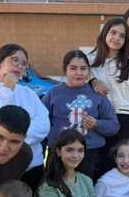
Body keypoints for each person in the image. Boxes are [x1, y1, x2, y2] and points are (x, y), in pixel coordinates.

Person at [0, 43, 50, 191]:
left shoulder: (28, 93)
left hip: (32, 168)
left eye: (24, 64)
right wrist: (6, 90)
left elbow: (43, 124)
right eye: (15, 60)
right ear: (0, 61)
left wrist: (13, 138)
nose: (19, 66)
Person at [42, 50, 120, 181]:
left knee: (86, 189)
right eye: (73, 68)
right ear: (65, 70)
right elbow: (42, 125)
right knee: (55, 189)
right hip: (59, 153)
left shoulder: (98, 94)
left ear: (88, 71)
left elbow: (114, 126)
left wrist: (96, 124)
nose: (79, 73)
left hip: (90, 154)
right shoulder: (53, 93)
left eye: (83, 68)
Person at [87, 16, 129, 175]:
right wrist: (92, 81)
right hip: (97, 120)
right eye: (113, 33)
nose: (117, 38)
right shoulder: (89, 62)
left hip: (124, 121)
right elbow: (76, 80)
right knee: (96, 167)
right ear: (104, 33)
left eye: (122, 36)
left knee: (119, 168)